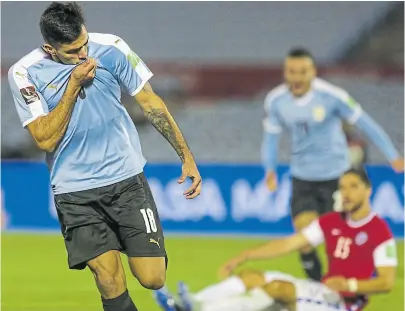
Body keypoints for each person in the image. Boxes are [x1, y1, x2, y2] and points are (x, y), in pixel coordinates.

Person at [7, 2, 202, 311]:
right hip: (75, 191)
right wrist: (73, 84)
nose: (83, 56)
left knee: (153, 278)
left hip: (126, 181)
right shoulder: (23, 73)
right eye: (72, 52)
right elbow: (44, 138)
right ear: (49, 48)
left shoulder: (111, 47)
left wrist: (186, 155)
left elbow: (150, 101)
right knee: (109, 280)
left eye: (84, 44)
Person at [154, 168, 397, 311]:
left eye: (353, 186)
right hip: (322, 290)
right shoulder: (332, 221)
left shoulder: (379, 231)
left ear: (368, 190)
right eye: (343, 187)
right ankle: (194, 301)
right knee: (251, 276)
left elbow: (386, 282)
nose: (346, 193)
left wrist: (350, 285)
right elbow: (289, 243)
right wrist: (246, 255)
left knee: (276, 290)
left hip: (342, 304)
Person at [262, 47, 403, 281]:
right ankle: (316, 284)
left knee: (340, 238)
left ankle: (363, 269)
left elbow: (366, 124)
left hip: (337, 177)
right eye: (291, 71)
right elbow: (270, 138)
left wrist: (392, 154)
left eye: (302, 71)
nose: (296, 77)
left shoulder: (332, 97)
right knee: (304, 234)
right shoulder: (276, 101)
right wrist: (270, 169)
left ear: (313, 72)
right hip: (303, 177)